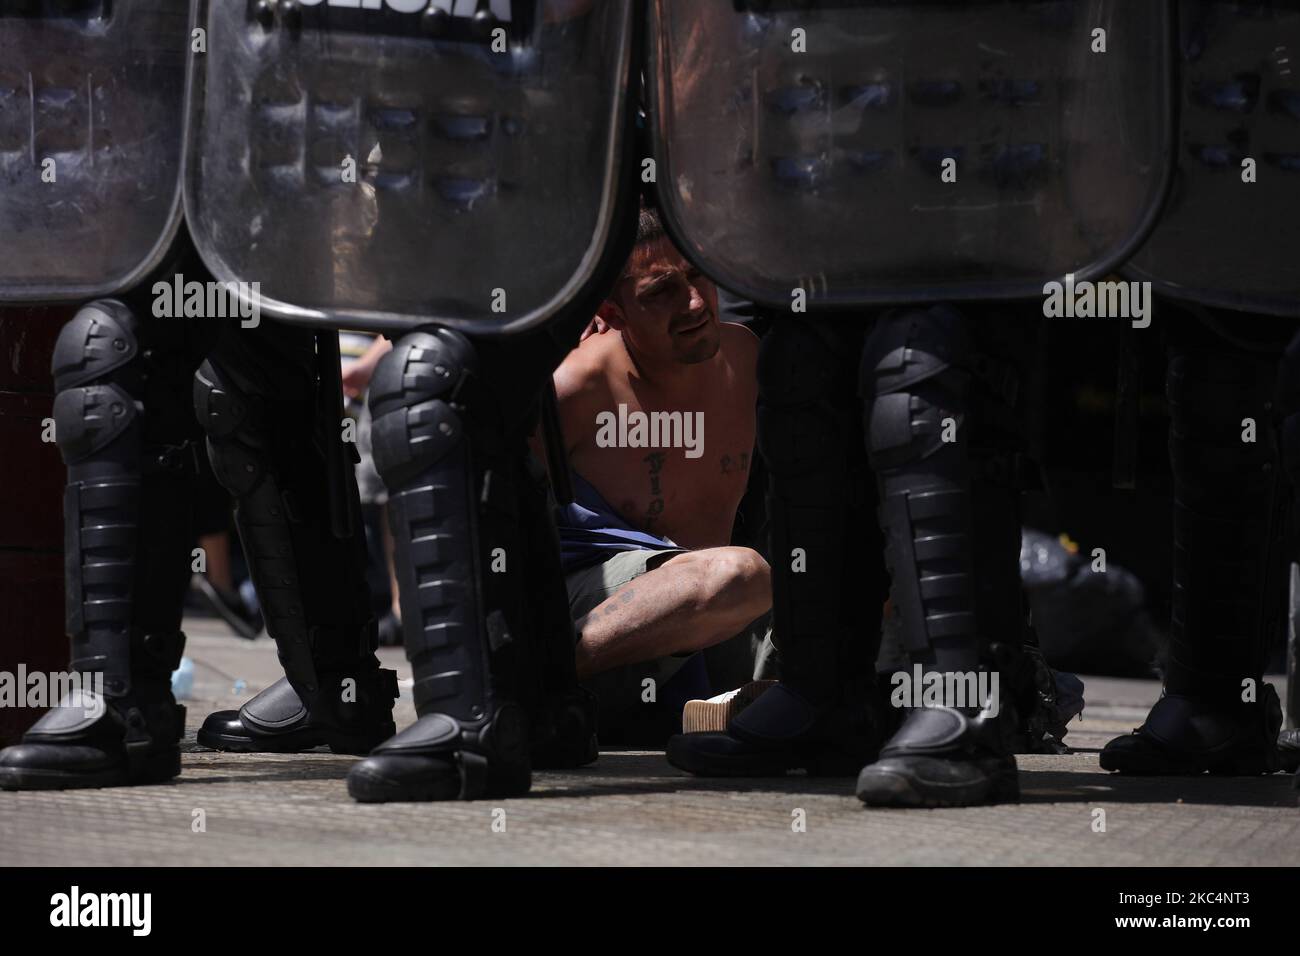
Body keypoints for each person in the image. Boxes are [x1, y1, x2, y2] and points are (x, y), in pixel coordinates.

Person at [548, 207, 770, 742]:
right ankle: (536, 677)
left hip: (712, 623)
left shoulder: (747, 361)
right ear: (612, 312)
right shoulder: (576, 387)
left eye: (697, 277)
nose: (694, 303)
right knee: (736, 575)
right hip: (603, 624)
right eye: (660, 292)